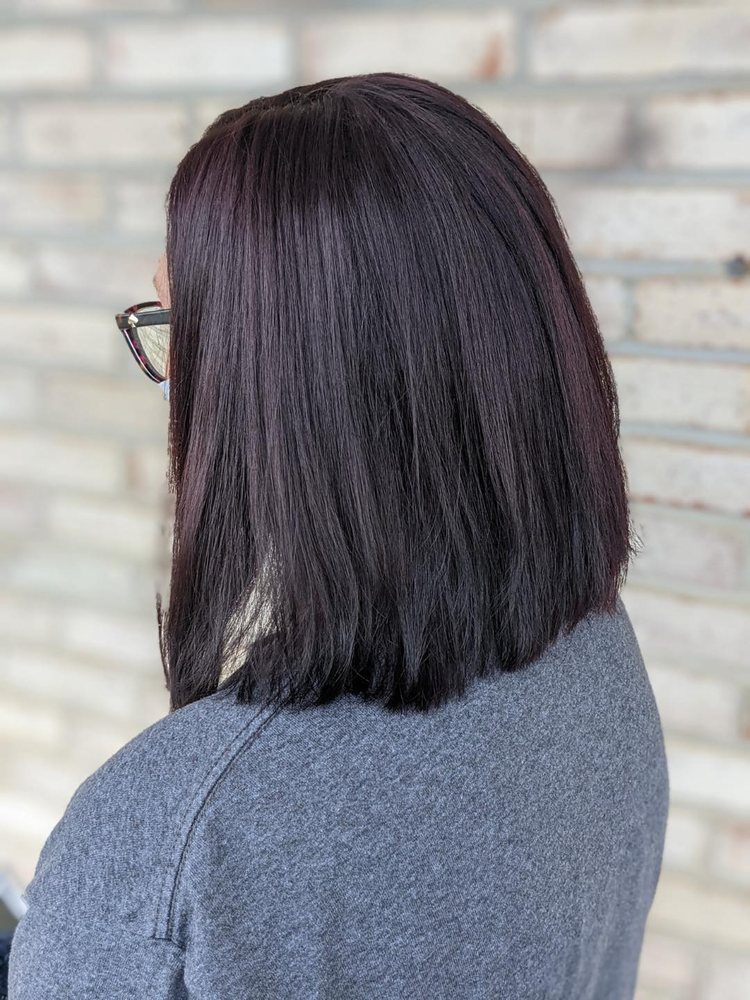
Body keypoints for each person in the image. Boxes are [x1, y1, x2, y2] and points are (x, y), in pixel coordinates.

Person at [8, 72, 669, 999]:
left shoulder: (182, 835)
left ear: (284, 385)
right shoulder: (594, 659)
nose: (177, 378)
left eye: (184, 326)